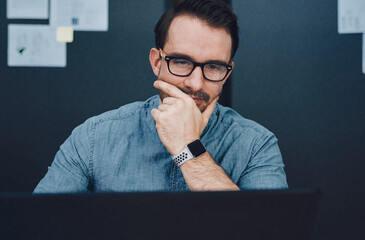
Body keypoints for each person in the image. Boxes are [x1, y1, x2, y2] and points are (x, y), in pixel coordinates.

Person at [34, 0, 288, 193]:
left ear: (228, 71)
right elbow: (37, 226)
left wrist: (187, 147)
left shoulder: (257, 145)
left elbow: (268, 232)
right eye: (181, 62)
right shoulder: (93, 138)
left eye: (213, 67)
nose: (195, 83)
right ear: (157, 62)